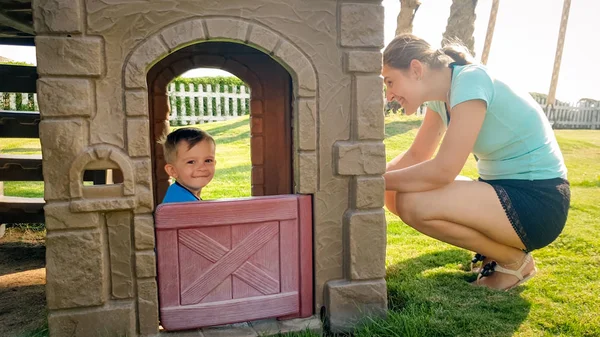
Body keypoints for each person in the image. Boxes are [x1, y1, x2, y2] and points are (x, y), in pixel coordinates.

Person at [381, 33, 570, 291]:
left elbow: (443, 170)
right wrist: (369, 177)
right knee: (393, 193)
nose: (389, 94)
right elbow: (417, 156)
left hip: (538, 202)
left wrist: (372, 182)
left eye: (390, 82)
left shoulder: (470, 80)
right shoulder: (441, 97)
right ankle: (495, 252)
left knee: (411, 202)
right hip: (504, 195)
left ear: (415, 69)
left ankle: (512, 260)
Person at [160, 127, 216, 203]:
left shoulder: (177, 192)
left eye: (208, 160)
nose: (202, 168)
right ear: (172, 170)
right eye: (191, 162)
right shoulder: (184, 204)